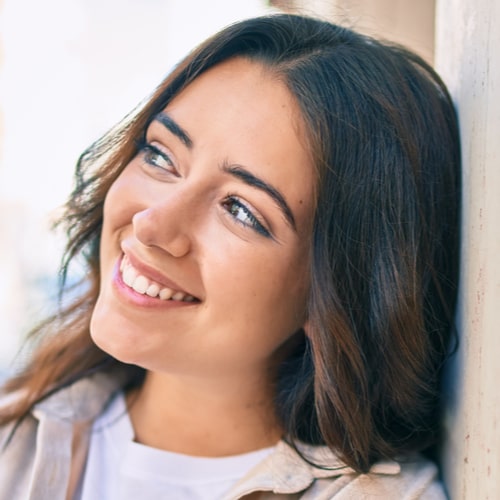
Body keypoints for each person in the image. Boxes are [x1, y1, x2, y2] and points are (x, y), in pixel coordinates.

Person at [0, 13, 460, 500]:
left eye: (241, 209)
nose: (152, 225)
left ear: (337, 291)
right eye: (161, 156)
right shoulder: (16, 435)